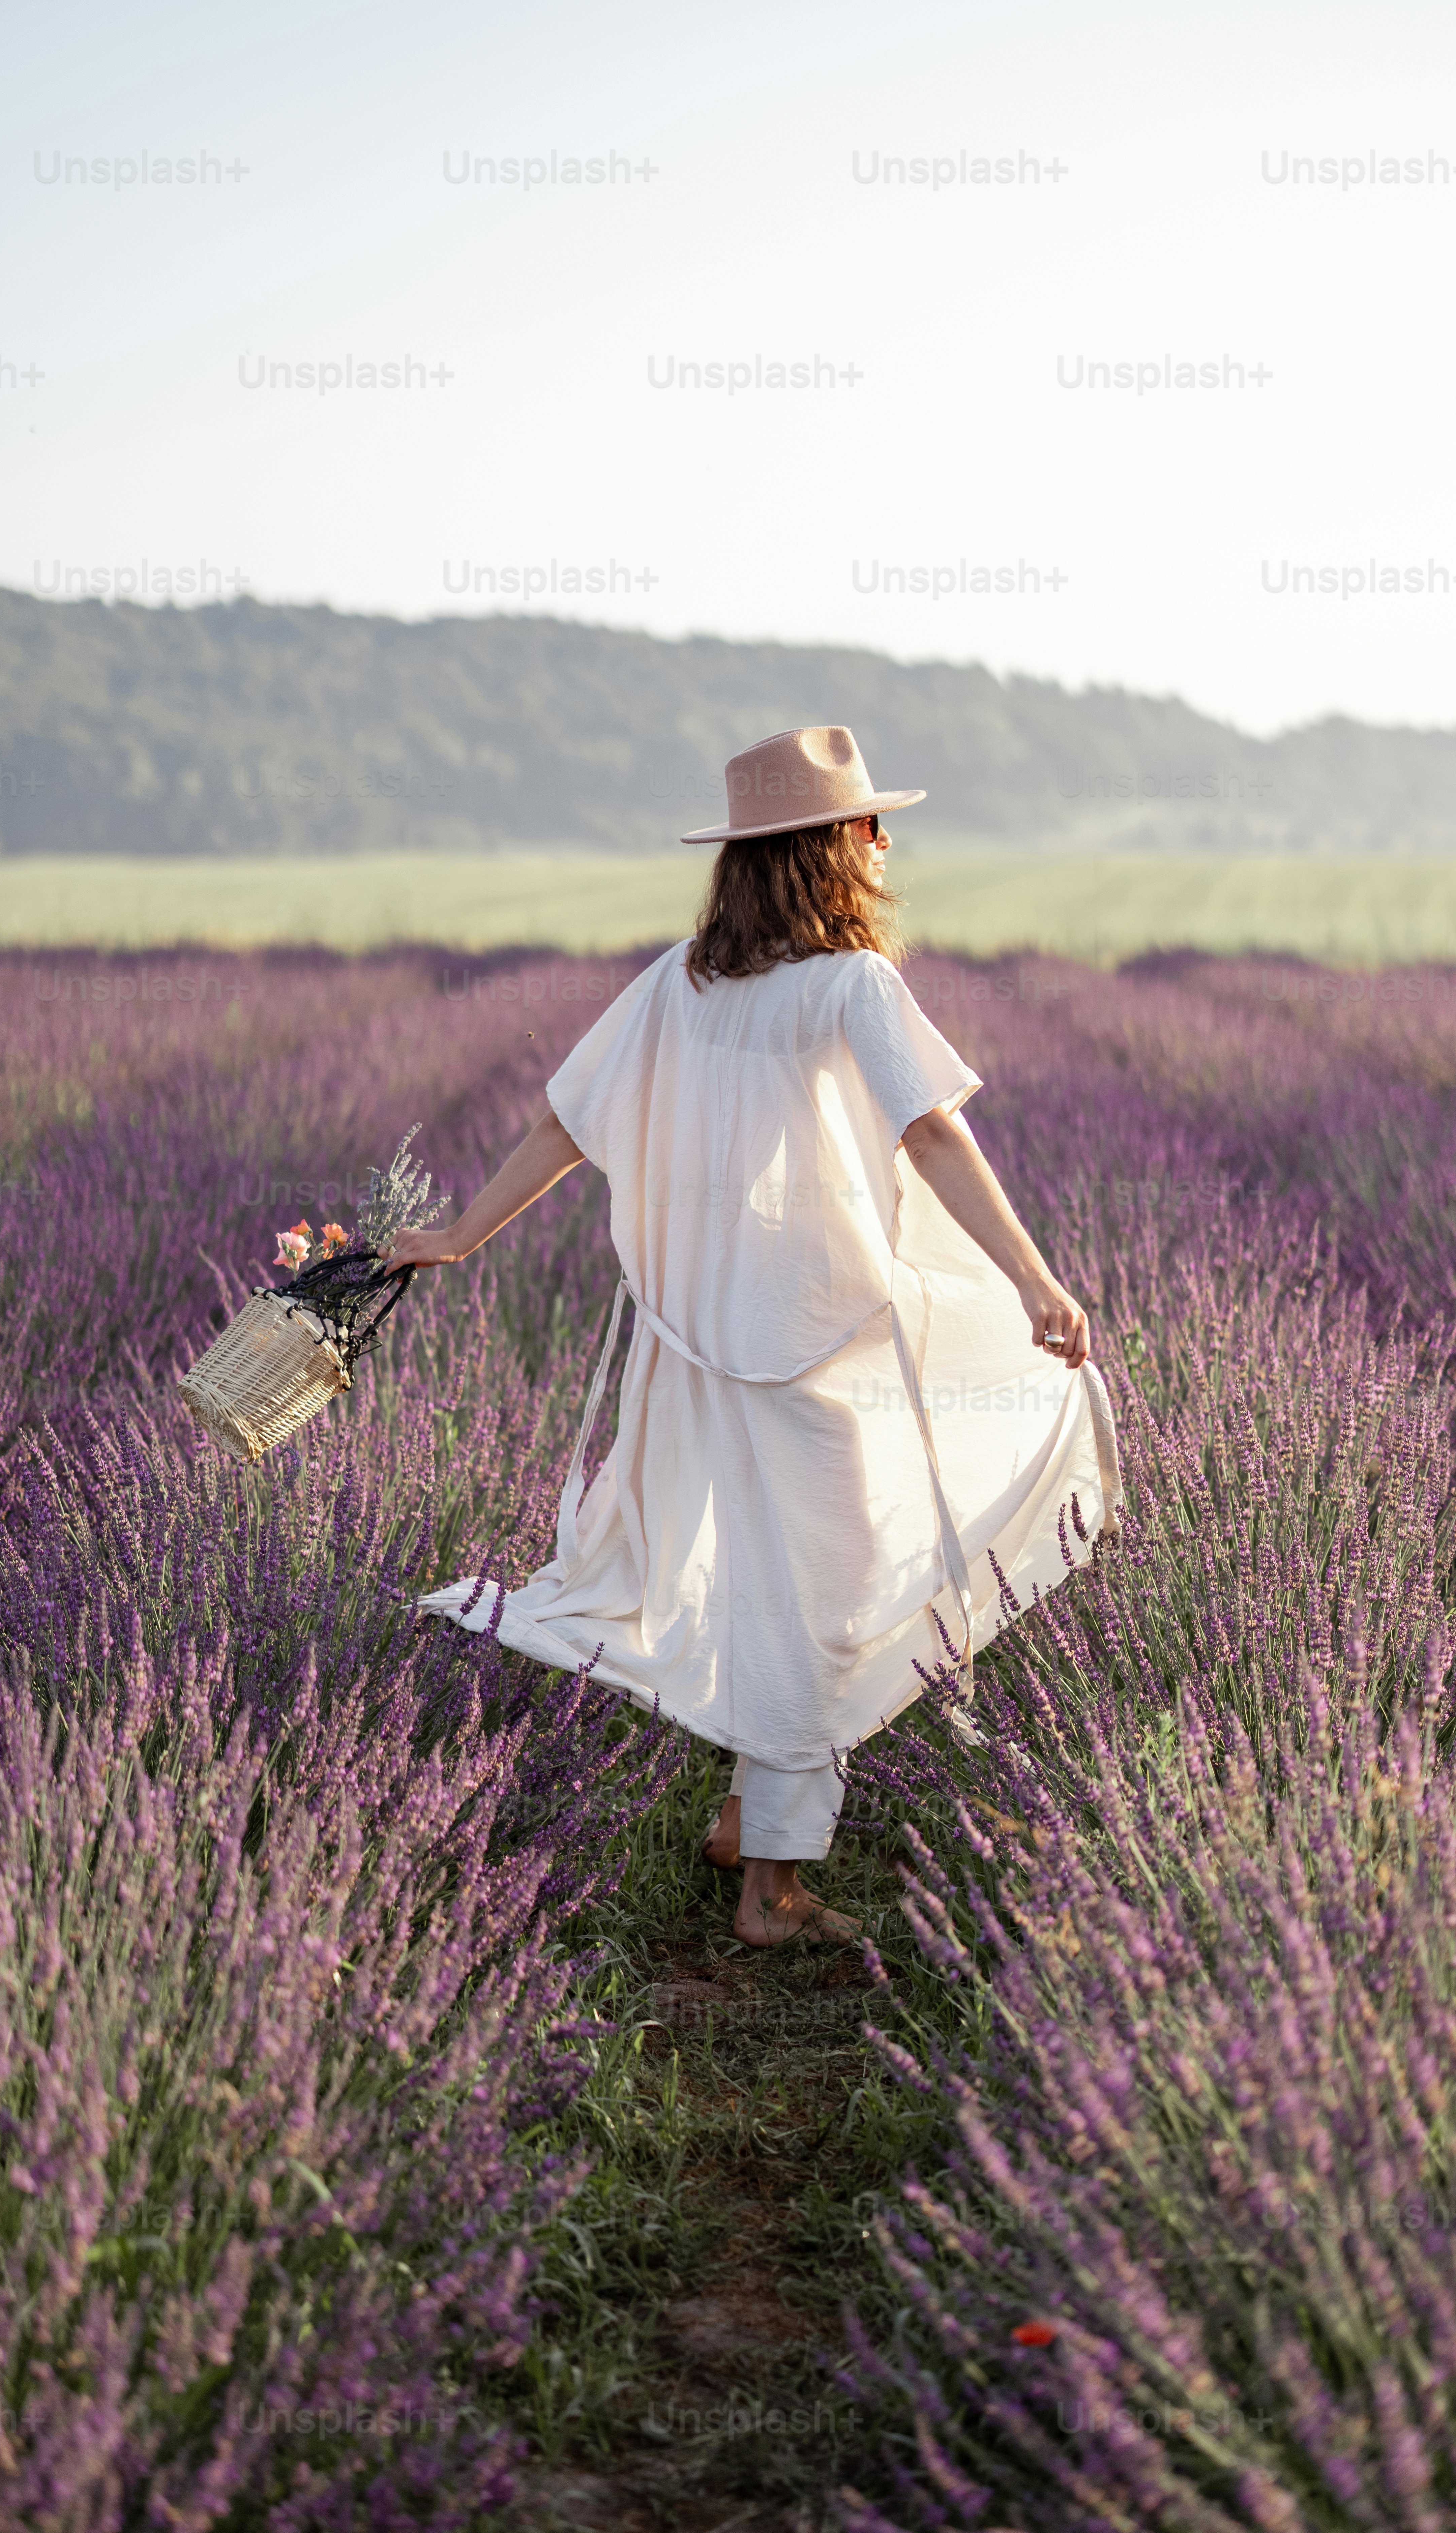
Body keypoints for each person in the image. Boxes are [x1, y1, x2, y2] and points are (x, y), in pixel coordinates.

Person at [387, 725, 1121, 1947]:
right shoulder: (851, 984)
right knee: (836, 1590)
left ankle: (747, 1815)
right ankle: (770, 1891)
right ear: (835, 848)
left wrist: (461, 1235)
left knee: (746, 1576)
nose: (885, 843)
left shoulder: (684, 979)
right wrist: (1038, 1282)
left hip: (690, 1337)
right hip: (811, 1338)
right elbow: (932, 1135)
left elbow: (568, 1127)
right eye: (871, 825)